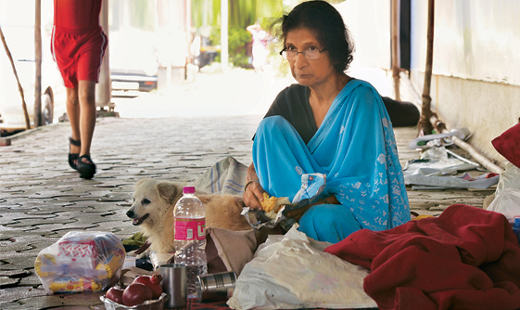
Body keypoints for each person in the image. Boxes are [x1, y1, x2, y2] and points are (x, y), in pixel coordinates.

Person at [242, 0, 411, 243]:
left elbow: (367, 185)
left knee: (321, 220)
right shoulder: (289, 99)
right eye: (291, 48)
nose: (298, 62)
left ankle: (296, 229)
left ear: (334, 51)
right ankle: (290, 226)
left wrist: (309, 206)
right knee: (269, 128)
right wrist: (251, 187)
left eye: (311, 49)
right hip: (290, 213)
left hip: (345, 214)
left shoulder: (360, 101)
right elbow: (258, 165)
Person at [51, 0, 107, 179]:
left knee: (86, 93)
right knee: (73, 95)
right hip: (62, 38)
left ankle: (85, 154)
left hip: (89, 37)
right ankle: (76, 137)